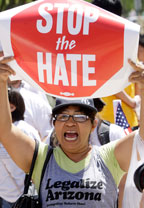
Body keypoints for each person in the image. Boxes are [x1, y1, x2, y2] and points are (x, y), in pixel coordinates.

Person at [0, 52, 144, 207]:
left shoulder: (108, 158)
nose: (70, 123)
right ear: (54, 125)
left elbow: (142, 136)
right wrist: (1, 82)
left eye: (80, 117)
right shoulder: (41, 159)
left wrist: (142, 86)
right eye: (63, 116)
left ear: (93, 125)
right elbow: (6, 131)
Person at [92, 0, 140, 129]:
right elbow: (111, 78)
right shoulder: (121, 42)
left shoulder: (98, 44)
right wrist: (133, 102)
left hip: (110, 118)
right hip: (116, 117)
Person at [0, 89, 41, 208]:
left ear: (12, 107)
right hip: (3, 198)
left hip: (26, 198)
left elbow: (39, 162)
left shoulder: (26, 130)